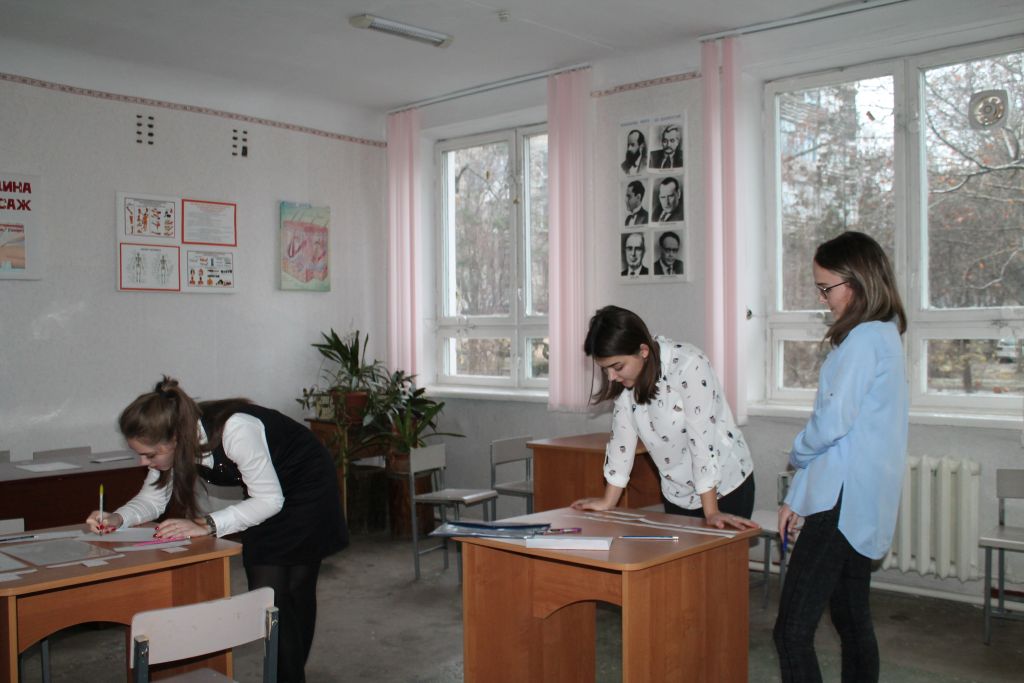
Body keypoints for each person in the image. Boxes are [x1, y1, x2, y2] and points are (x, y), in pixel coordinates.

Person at [87, 377, 348, 683]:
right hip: (268, 494)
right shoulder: (175, 437)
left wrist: (207, 524)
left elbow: (269, 500)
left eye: (150, 455)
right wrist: (118, 518)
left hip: (307, 484)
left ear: (174, 439)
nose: (142, 462)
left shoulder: (235, 429)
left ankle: (287, 677)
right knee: (270, 596)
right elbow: (154, 498)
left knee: (293, 590)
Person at [773, 231, 908, 683]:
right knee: (851, 620)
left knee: (791, 632)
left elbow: (831, 426)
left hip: (839, 505)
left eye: (825, 288)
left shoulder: (865, 339)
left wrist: (796, 455)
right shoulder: (885, 334)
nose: (822, 298)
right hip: (854, 500)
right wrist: (798, 495)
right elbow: (848, 439)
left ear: (855, 283)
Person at [571, 306, 757, 530]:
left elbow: (701, 441)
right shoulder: (626, 385)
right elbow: (621, 443)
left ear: (643, 351)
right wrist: (607, 501)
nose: (611, 377)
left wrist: (711, 512)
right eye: (605, 369)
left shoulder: (688, 365)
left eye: (617, 366)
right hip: (677, 493)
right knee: (679, 554)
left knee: (714, 553)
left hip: (724, 488)